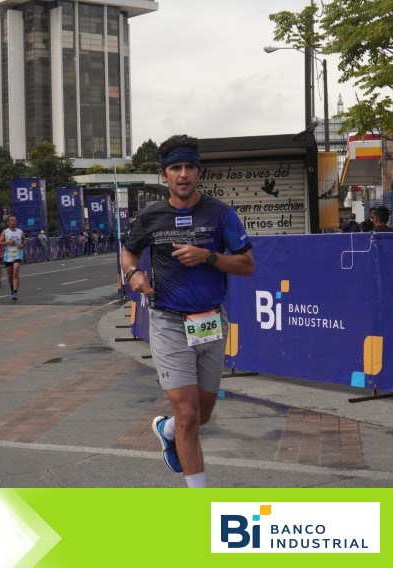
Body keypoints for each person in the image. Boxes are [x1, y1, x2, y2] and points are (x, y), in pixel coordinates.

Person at [121, 134, 254, 488]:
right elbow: (128, 252)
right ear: (163, 174)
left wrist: (207, 257)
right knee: (188, 413)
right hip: (168, 321)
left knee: (202, 414)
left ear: (199, 172)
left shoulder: (220, 214)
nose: (183, 174)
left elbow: (246, 264)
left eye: (189, 167)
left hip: (210, 321)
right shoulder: (150, 217)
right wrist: (133, 274)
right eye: (175, 168)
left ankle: (166, 430)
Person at [0, 216, 26, 301]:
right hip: (8, 256)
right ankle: (12, 289)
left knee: (15, 274)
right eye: (11, 220)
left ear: (16, 222)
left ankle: (15, 292)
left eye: (14, 220)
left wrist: (22, 244)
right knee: (10, 276)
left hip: (18, 255)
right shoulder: (5, 232)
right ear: (8, 223)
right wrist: (9, 242)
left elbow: (25, 240)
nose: (12, 222)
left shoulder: (20, 231)